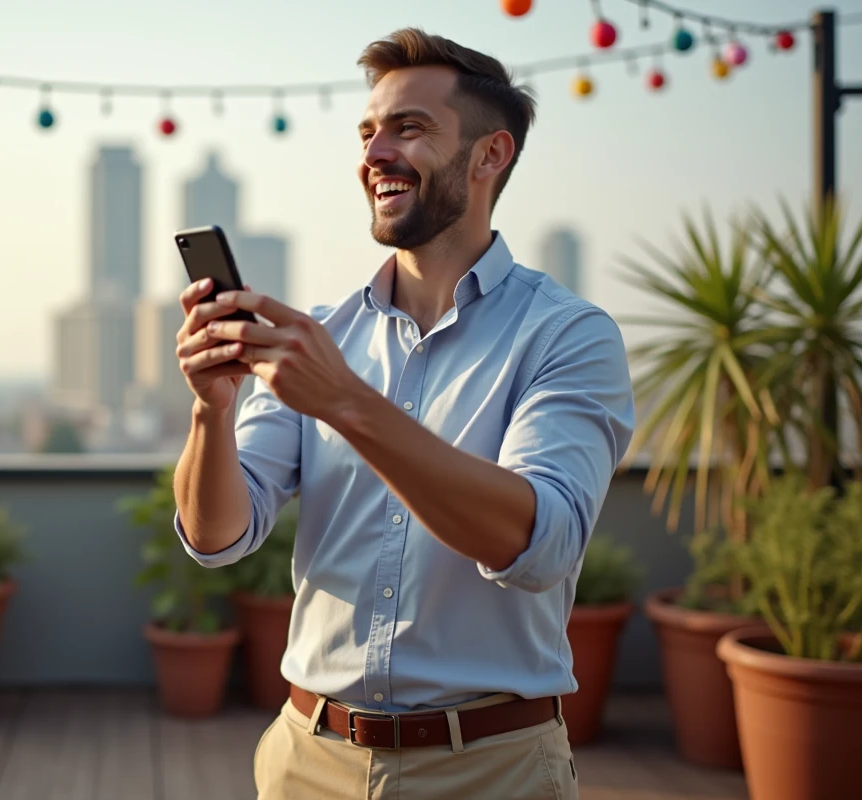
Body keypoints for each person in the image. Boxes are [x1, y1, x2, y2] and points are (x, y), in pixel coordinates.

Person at [170, 27, 634, 800]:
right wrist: (212, 412)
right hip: (305, 760)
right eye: (368, 131)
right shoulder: (325, 337)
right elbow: (217, 537)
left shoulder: (569, 336)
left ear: (491, 156)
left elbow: (539, 543)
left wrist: (347, 403)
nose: (375, 153)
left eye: (409, 129)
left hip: (492, 771)